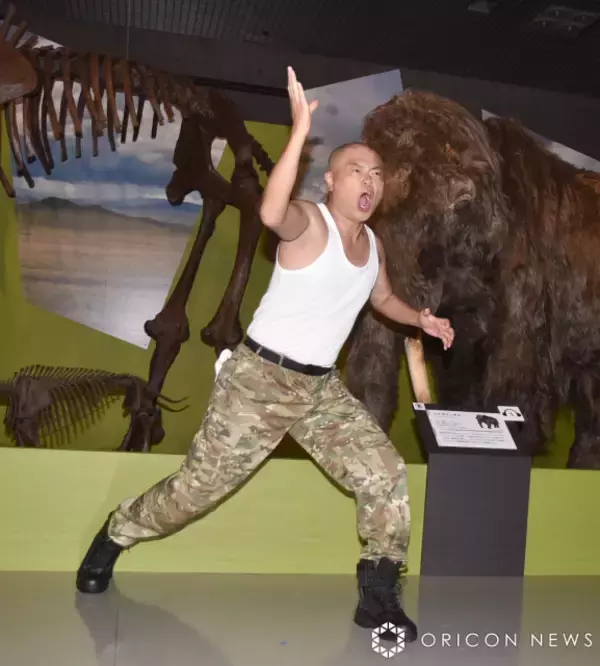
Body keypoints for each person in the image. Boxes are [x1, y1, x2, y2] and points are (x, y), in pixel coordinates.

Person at [75, 67, 454, 642]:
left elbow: (381, 299)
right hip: (259, 382)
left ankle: (377, 595)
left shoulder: (373, 245)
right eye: (357, 169)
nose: (369, 180)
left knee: (384, 472)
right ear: (331, 181)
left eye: (377, 173)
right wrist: (299, 131)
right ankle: (117, 531)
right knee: (194, 492)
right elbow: (272, 214)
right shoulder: (310, 222)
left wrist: (419, 318)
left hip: (320, 390)